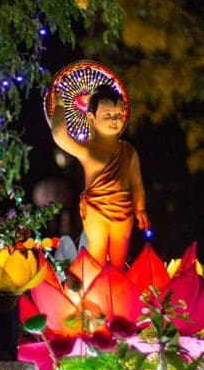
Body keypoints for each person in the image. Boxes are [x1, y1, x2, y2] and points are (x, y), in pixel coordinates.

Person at [49, 83, 150, 269]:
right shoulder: (88, 149)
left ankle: (115, 290)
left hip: (124, 210)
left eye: (118, 115)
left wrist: (140, 209)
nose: (114, 120)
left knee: (119, 257)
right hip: (96, 209)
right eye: (107, 115)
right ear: (91, 117)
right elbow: (60, 135)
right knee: (97, 254)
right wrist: (60, 106)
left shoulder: (128, 151)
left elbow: (137, 184)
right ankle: (93, 290)